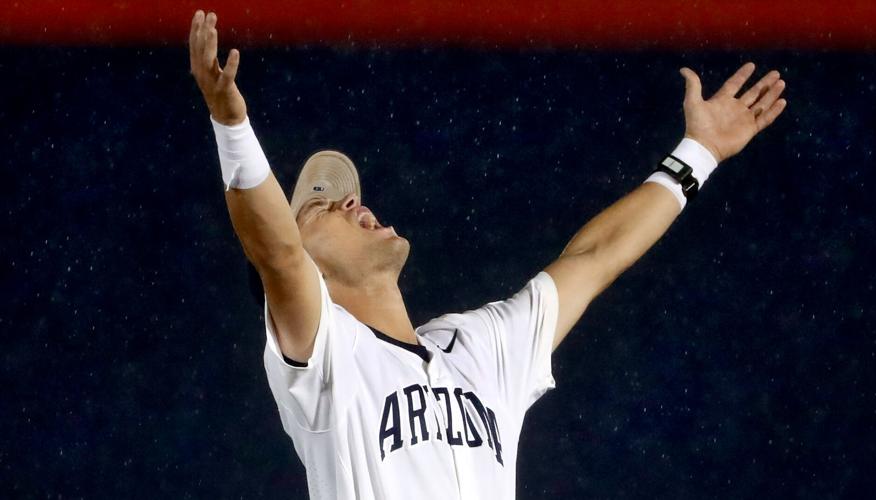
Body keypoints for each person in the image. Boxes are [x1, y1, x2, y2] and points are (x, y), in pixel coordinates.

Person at [188, 9, 787, 500]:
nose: (351, 202)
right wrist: (231, 125)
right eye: (320, 209)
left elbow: (594, 257)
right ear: (308, 268)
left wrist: (700, 152)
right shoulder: (326, 361)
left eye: (346, 197)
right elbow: (276, 252)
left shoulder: (478, 348)